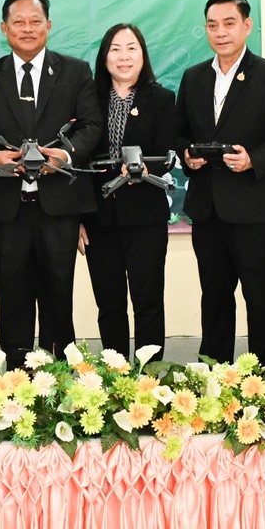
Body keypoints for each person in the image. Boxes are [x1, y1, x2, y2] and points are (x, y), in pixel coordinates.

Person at [0, 0, 102, 369]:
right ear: (4, 28)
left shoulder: (75, 71)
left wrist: (65, 156)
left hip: (59, 208)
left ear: (49, 25)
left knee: (59, 297)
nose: (27, 28)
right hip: (7, 208)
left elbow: (91, 126)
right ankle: (16, 381)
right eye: (19, 22)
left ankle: (58, 378)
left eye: (35, 21)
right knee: (11, 297)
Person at [176, 0, 265, 366]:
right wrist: (187, 156)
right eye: (212, 25)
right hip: (207, 208)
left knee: (259, 295)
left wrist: (253, 160)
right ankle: (213, 372)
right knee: (214, 295)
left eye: (229, 24)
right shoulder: (194, 77)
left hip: (256, 208)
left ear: (247, 26)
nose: (220, 32)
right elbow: (179, 133)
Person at [76, 23, 177, 361]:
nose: (124, 56)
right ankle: (114, 371)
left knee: (148, 301)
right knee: (109, 303)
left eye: (132, 48)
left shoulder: (161, 99)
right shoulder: (87, 100)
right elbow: (78, 161)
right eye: (115, 49)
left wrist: (149, 168)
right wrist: (78, 218)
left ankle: (149, 375)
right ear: (104, 57)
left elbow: (167, 152)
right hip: (99, 217)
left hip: (146, 215)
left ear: (143, 55)